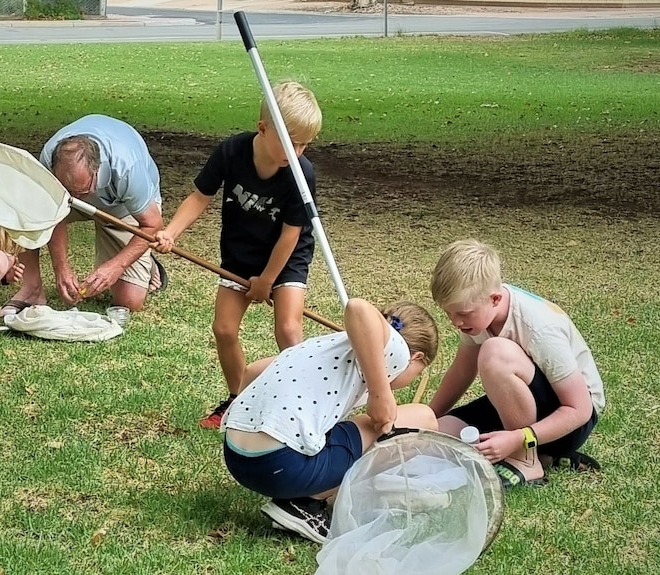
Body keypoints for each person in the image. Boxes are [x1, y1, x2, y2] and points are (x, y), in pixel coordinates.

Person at [152, 81, 322, 429]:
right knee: (224, 329)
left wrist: (267, 282)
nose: (298, 151)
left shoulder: (302, 174)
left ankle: (300, 405)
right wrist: (171, 232)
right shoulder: (231, 152)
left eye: (305, 144)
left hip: (285, 259)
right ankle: (237, 400)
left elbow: (291, 235)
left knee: (289, 330)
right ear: (262, 128)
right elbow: (200, 196)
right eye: (291, 141)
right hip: (240, 253)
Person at [220, 298, 440, 543]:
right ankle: (306, 503)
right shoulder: (397, 351)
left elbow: (252, 371)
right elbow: (358, 308)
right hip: (281, 466)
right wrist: (381, 393)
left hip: (237, 459)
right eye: (417, 373)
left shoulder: (323, 345)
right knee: (424, 418)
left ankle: (306, 492)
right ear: (416, 358)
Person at [428, 239, 605, 488]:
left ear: (495, 299)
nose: (455, 322)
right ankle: (545, 455)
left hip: (570, 422)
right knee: (437, 435)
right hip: (520, 412)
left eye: (462, 314)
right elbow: (461, 372)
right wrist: (428, 417)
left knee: (494, 352)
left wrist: (519, 439)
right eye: (448, 313)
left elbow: (580, 409)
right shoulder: (478, 310)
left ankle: (527, 462)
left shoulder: (539, 328)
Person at [0, 114, 167, 317]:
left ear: (97, 170)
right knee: (24, 209)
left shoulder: (127, 169)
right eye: (67, 190)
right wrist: (61, 268)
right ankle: (32, 290)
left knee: (129, 301)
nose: (73, 197)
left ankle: (147, 263)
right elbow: (54, 213)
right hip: (77, 196)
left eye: (81, 191)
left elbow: (152, 225)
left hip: (123, 208)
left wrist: (116, 266)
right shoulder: (49, 157)